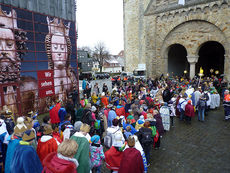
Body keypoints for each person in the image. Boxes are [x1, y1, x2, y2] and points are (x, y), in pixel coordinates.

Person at [46, 17, 76, 102]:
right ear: (50, 51)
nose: (59, 52)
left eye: (62, 48)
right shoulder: (47, 81)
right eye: (55, 47)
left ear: (68, 52)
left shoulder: (73, 79)